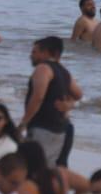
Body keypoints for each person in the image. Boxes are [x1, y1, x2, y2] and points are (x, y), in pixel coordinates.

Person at [21, 36, 81, 167]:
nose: (31, 55)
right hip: (61, 128)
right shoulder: (64, 72)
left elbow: (38, 97)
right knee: (53, 170)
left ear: (46, 53)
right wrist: (69, 104)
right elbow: (78, 94)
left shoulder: (43, 68)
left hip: (44, 127)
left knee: (35, 168)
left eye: (35, 52)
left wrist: (23, 123)